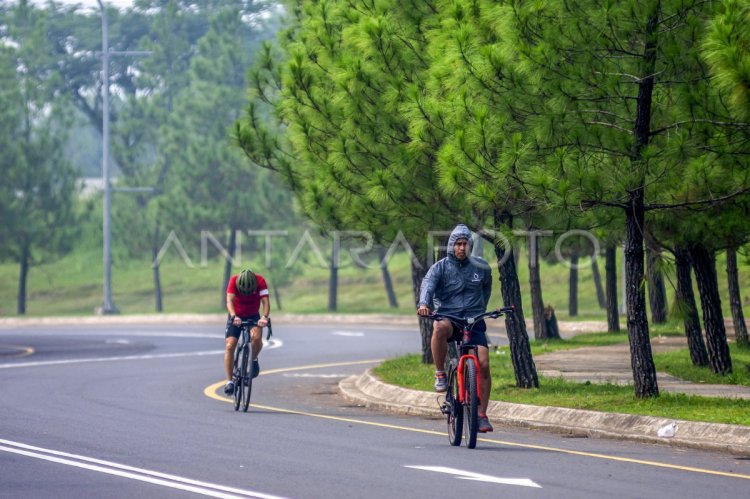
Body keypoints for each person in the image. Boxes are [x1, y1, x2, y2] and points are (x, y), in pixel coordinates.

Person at [417, 224, 494, 432]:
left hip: (474, 321)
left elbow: (486, 289)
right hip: (450, 318)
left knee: (484, 364)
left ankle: (481, 415)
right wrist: (424, 304)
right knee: (439, 327)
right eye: (458, 244)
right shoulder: (440, 268)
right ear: (451, 246)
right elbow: (427, 285)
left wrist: (480, 310)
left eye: (465, 244)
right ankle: (440, 373)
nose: (462, 248)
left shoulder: (481, 267)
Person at [223, 269, 270, 395]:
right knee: (230, 345)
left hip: (253, 315)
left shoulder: (261, 281)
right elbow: (229, 301)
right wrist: (233, 316)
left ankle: (253, 359)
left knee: (256, 338)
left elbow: (265, 302)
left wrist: (264, 317)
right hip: (236, 316)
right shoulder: (233, 281)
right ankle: (229, 382)